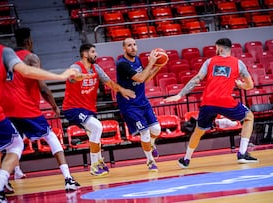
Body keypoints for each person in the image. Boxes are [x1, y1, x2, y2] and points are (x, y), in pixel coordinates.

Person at [0, 16, 83, 203]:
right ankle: (68, 179)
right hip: (20, 109)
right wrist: (60, 77)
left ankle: (3, 180)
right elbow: (34, 78)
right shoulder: (9, 54)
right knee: (29, 141)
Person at [0, 27, 80, 193]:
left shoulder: (7, 58)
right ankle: (68, 178)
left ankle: (2, 180)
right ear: (29, 41)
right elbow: (42, 86)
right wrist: (54, 105)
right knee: (51, 136)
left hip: (6, 108)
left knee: (10, 144)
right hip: (25, 107)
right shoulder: (31, 57)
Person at [164, 38, 258, 168]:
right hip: (225, 101)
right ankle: (242, 153)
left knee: (198, 130)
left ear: (219, 48)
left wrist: (180, 94)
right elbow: (250, 85)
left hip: (208, 101)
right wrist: (241, 85)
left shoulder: (210, 61)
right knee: (249, 117)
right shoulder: (238, 63)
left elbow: (197, 79)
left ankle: (186, 160)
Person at [62, 43, 136, 176]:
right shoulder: (76, 66)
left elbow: (109, 82)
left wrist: (122, 90)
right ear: (85, 54)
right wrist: (81, 76)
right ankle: (94, 166)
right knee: (97, 127)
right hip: (73, 108)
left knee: (94, 134)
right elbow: (73, 75)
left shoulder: (96, 68)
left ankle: (98, 161)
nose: (95, 54)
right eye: (92, 52)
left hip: (88, 109)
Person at [116, 38, 167, 172]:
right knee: (144, 132)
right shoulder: (122, 64)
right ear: (124, 49)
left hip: (142, 101)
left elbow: (146, 78)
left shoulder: (137, 60)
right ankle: (150, 161)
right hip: (129, 105)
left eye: (134, 44)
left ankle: (151, 144)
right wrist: (151, 63)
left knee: (156, 130)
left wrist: (158, 67)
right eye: (129, 45)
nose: (133, 47)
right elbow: (139, 78)